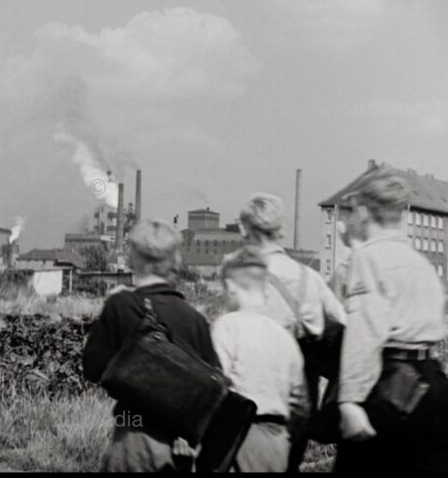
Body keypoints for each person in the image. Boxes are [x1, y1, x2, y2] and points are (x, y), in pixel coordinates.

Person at [334, 172, 448, 473]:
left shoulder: (369, 258)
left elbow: (366, 329)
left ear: (363, 212)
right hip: (432, 382)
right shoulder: (420, 262)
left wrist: (350, 401)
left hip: (391, 383)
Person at [82, 218, 217, 472]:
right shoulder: (196, 319)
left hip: (133, 432)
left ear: (133, 258)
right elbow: (212, 389)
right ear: (175, 262)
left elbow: (92, 369)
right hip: (181, 448)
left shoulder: (120, 305)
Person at [237, 192, 347, 471]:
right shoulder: (308, 277)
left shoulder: (240, 278)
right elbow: (344, 326)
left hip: (252, 402)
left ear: (243, 228)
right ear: (282, 230)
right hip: (299, 401)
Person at [210, 246, 310, 472]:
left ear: (230, 287)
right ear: (265, 290)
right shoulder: (285, 338)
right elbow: (301, 406)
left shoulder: (226, 327)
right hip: (277, 441)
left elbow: (216, 388)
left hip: (237, 437)